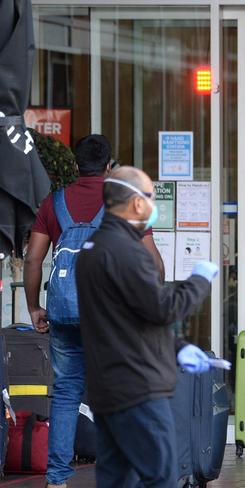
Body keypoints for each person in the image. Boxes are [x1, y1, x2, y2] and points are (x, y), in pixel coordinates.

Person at [23, 134, 162, 488]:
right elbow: (153, 265)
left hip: (65, 311)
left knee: (67, 392)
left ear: (74, 165)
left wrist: (34, 306)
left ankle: (57, 479)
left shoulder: (53, 203)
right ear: (110, 167)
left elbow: (33, 259)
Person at [75, 166, 227, 487]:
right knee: (161, 478)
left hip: (107, 391)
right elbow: (164, 309)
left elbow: (128, 321)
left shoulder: (92, 251)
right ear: (137, 203)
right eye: (151, 197)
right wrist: (200, 279)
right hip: (139, 391)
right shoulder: (128, 252)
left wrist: (180, 349)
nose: (154, 205)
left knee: (118, 480)